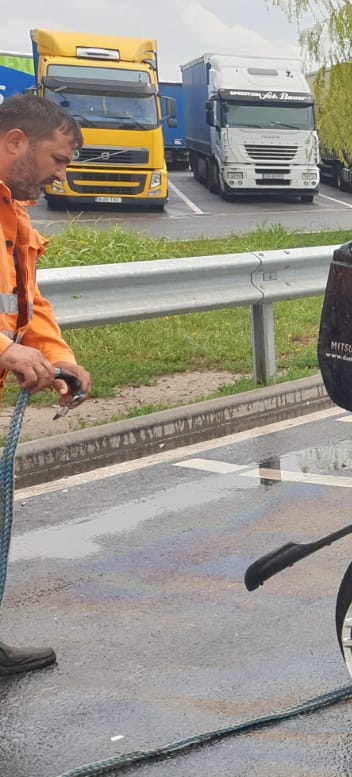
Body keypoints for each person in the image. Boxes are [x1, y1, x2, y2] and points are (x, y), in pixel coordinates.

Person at [0, 95, 93, 676]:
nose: (61, 174)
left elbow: (25, 304)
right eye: (57, 159)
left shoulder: (15, 219)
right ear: (16, 141)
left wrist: (59, 359)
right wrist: (5, 349)